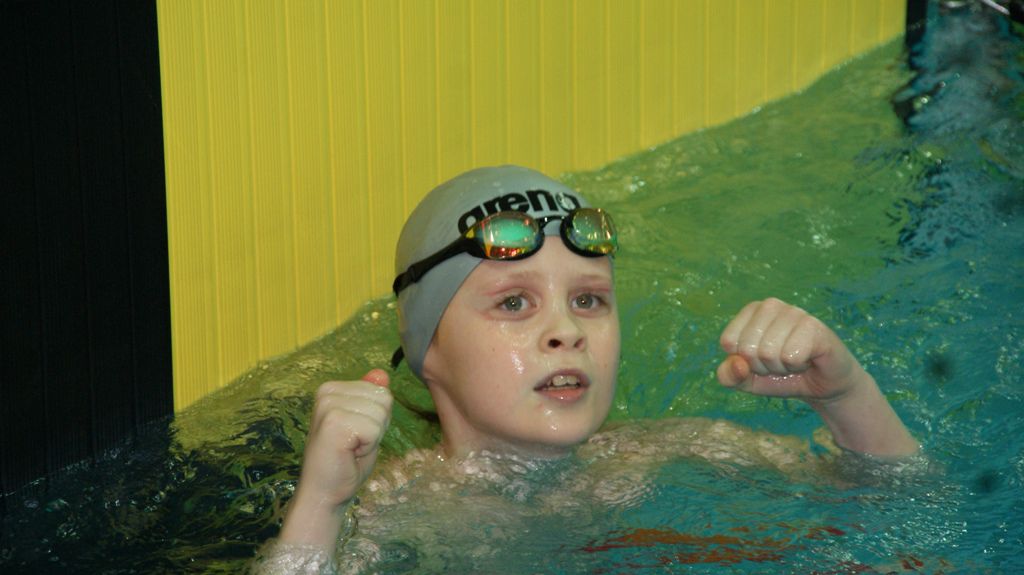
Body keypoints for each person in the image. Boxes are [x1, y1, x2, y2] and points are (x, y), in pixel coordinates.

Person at [254, 165, 919, 573]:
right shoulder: (390, 506)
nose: (567, 331)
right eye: (514, 302)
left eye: (589, 300)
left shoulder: (668, 452)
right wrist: (320, 506)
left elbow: (905, 507)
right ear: (428, 350)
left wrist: (846, 393)